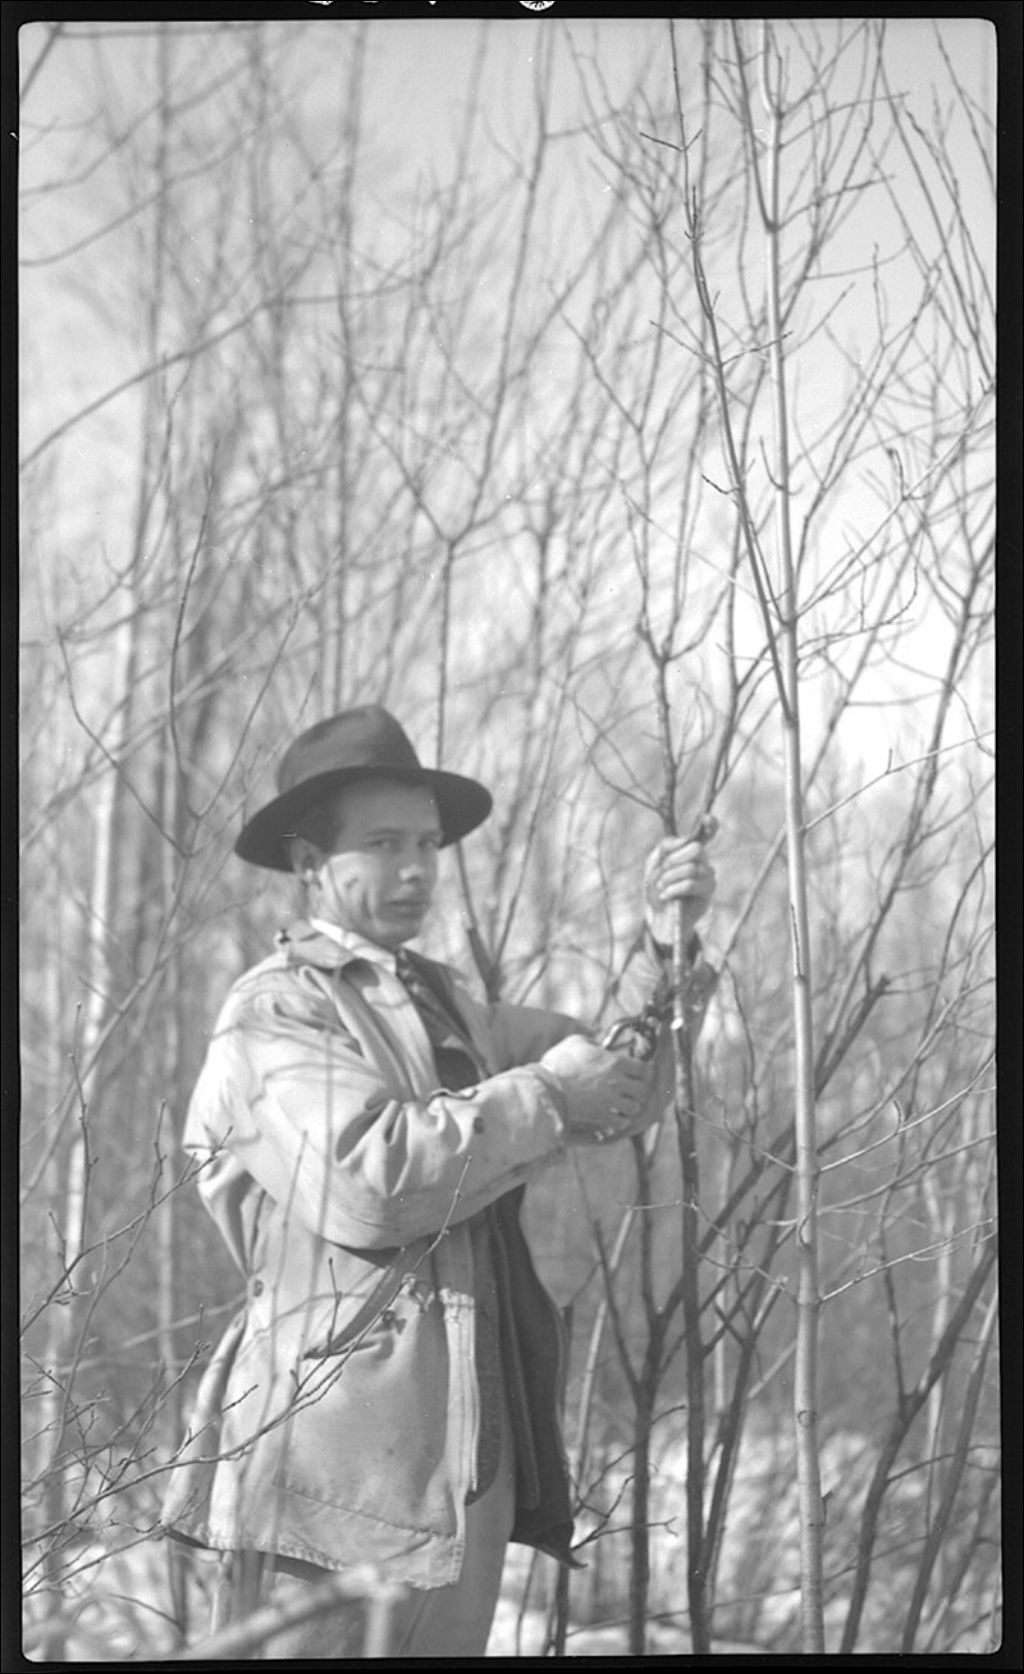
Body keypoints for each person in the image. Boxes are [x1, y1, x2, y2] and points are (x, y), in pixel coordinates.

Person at [161, 704, 715, 1658]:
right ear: (309, 862)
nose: (417, 868)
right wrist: (547, 1092)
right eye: (384, 844)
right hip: (324, 1478)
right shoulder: (275, 1009)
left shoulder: (449, 1003)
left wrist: (667, 950)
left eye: (426, 844)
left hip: (463, 1467)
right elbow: (368, 1182)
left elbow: (611, 1088)